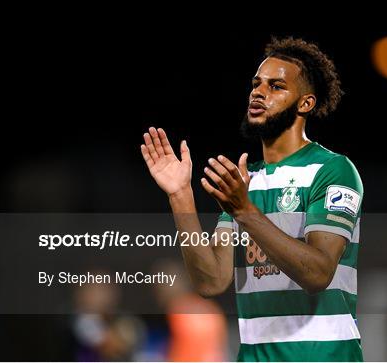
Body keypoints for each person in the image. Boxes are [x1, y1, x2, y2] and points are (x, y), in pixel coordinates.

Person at [141, 37, 364, 361]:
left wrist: (244, 210)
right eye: (256, 84)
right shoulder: (248, 181)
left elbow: (317, 273)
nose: (259, 92)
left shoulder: (332, 170)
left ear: (305, 103)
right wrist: (181, 197)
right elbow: (211, 281)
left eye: (276, 86)